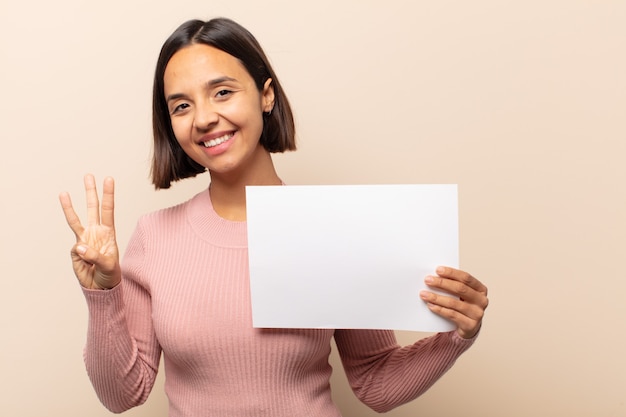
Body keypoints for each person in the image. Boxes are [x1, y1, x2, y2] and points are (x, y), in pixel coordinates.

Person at [59, 17, 489, 417]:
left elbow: (374, 379)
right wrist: (103, 292)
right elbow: (121, 395)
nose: (205, 118)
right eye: (181, 106)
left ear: (266, 95)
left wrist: (458, 337)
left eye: (222, 92)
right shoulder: (154, 237)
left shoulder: (334, 228)